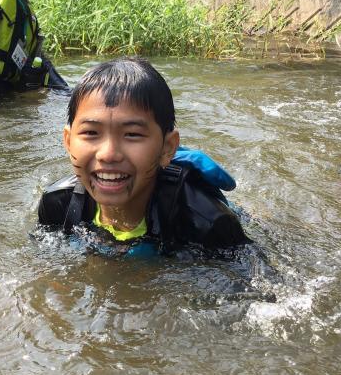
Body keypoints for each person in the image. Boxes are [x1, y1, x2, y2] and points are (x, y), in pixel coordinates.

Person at [37, 57, 251, 255]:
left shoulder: (206, 223)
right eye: (91, 133)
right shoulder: (57, 205)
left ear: (167, 148)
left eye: (132, 134)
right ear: (68, 141)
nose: (108, 154)